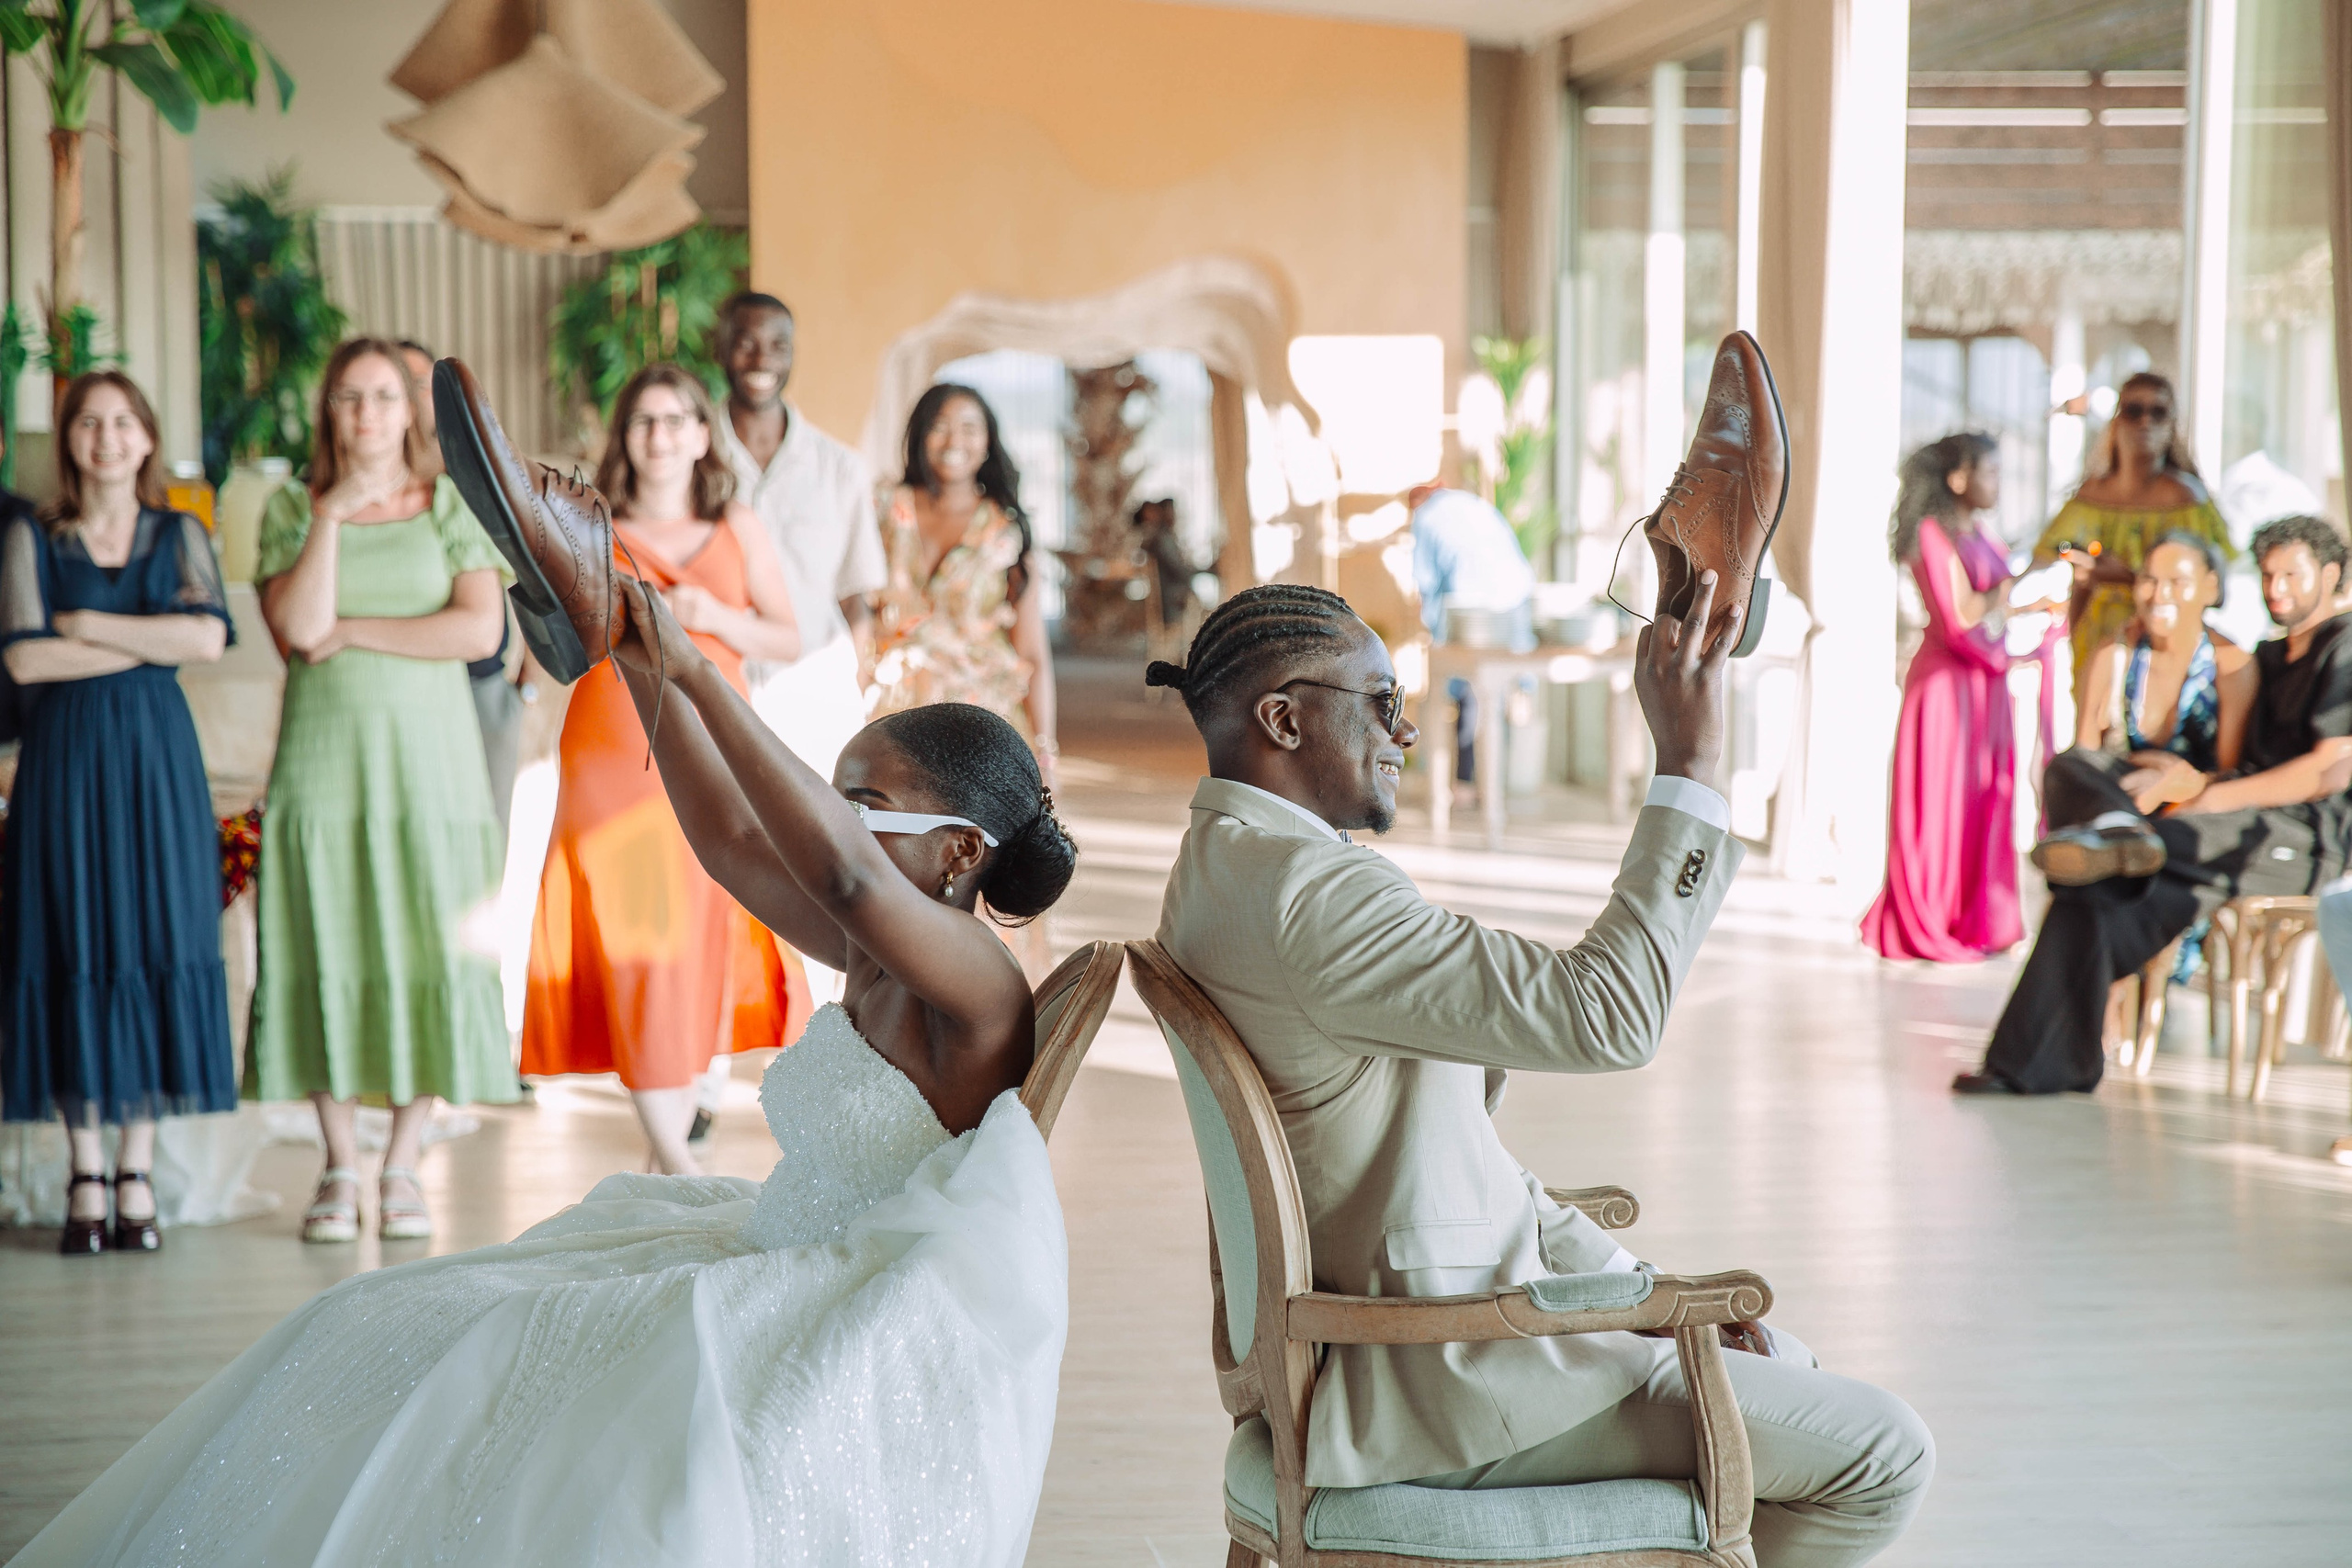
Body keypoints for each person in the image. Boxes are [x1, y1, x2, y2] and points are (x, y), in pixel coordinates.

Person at [10, 556, 1080, 1568]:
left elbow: (845, 877)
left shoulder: (977, 985)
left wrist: (703, 668)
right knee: (374, 1320)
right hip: (768, 1243)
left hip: (843, 1298)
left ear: (959, 853)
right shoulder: (875, 953)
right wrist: (641, 660)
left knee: (517, 1372)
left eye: (866, 805)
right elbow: (737, 847)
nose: (832, 822)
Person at [1145, 579, 1932, 1566]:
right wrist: (1690, 764)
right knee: (1883, 1451)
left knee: (1798, 1370)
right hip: (1445, 1385)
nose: (1406, 731)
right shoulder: (1312, 898)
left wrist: (1640, 1295)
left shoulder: (1221, 868)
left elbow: (1448, 1162)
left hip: (1389, 1352)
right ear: (1284, 718)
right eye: (1381, 701)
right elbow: (1609, 1014)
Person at [246, 336, 514, 1244]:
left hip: (431, 766)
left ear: (411, 411)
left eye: (385, 397)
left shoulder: (448, 504)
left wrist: (355, 630)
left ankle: (402, 1162)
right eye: (350, 398)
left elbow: (478, 632)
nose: (367, 414)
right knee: (321, 936)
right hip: (322, 765)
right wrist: (334, 515)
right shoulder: (291, 507)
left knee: (426, 944)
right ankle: (337, 1162)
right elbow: (296, 627)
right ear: (329, 412)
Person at [522, 364, 810, 1176]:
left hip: (718, 745)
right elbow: (550, 650)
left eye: (675, 418)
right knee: (632, 941)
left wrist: (713, 616)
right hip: (614, 745)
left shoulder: (738, 526)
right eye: (644, 421)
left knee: (695, 947)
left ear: (700, 432)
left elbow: (788, 635)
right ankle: (681, 1174)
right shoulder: (586, 526)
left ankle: (661, 1173)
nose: (659, 435)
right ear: (625, 437)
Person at [1958, 515, 2352, 1095]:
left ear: (2332, 574)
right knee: (2082, 812)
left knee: (2117, 856)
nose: (2276, 589)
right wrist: (2180, 777)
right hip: (2222, 827)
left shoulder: (2344, 647)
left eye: (2291, 575)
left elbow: (2329, 767)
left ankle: (2119, 830)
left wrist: (2205, 794)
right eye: (2268, 576)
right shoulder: (2268, 656)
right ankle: (2032, 1066)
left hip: (2298, 838)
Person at [0, 372, 235, 1254]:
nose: (106, 436)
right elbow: (24, 661)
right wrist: (145, 642)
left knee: (157, 939)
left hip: (156, 764)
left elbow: (208, 637)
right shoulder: (31, 534)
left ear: (146, 439)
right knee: (70, 942)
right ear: (69, 441)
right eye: (89, 423)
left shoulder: (179, 531)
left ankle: (137, 1166)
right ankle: (85, 1168)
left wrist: (89, 626)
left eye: (123, 421)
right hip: (61, 764)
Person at [1862, 434, 2058, 961]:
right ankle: (1935, 920)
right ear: (1958, 478)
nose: (1998, 483)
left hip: (1985, 681)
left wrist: (2031, 604)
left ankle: (1977, 920)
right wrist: (2023, 574)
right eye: (1991, 472)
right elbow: (1961, 614)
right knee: (1945, 802)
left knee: (1984, 796)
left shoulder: (1978, 531)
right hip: (1947, 690)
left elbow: (1987, 610)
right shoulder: (1931, 533)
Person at [870, 382, 1057, 773]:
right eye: (940, 426)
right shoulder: (885, 510)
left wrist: (1044, 750)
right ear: (920, 436)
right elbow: (855, 613)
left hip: (984, 722)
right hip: (894, 715)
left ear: (988, 442)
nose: (954, 439)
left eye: (970, 428)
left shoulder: (1005, 530)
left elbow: (1032, 652)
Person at [2031, 370, 2232, 705]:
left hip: (2163, 643)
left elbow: (2219, 591)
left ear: (2172, 424)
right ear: (2117, 420)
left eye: (2158, 412)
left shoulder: (2188, 499)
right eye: (2133, 410)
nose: (2145, 422)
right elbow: (2046, 562)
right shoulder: (2090, 495)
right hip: (2097, 642)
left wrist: (2125, 577)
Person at [401, 337, 527, 842]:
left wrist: (527, 689)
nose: (409, 400)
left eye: (418, 385)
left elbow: (535, 577)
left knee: (484, 838)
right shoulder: (357, 490)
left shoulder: (484, 467)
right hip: (402, 688)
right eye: (394, 388)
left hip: (483, 685)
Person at [2073, 531, 2253, 778]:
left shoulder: (2231, 665)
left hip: (2199, 812)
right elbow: (2084, 763)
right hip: (2120, 808)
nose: (2159, 595)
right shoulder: (2115, 657)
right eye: (2150, 580)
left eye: (2177, 582)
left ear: (2210, 587)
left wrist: (2169, 785)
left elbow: (2230, 774)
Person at [1407, 481, 1538, 797]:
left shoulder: (1425, 517)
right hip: (1515, 600)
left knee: (1464, 692)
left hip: (1471, 611)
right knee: (1501, 690)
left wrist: (1432, 628)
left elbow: (1425, 580)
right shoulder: (1477, 505)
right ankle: (1494, 786)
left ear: (1418, 501)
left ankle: (1463, 785)